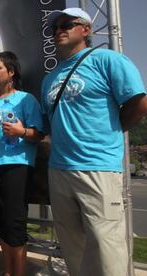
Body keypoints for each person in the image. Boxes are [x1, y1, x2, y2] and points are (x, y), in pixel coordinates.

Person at [41, 8, 147, 276]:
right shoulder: (49, 79)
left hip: (98, 167)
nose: (58, 30)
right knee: (72, 244)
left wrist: (113, 131)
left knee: (106, 244)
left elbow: (139, 104)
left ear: (86, 30)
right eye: (55, 27)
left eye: (66, 24)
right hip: (59, 170)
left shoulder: (108, 60)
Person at [0, 52, 44, 276]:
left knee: (14, 224)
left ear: (11, 72)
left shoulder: (25, 99)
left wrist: (21, 131)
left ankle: (18, 272)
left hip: (16, 167)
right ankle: (8, 270)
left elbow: (39, 133)